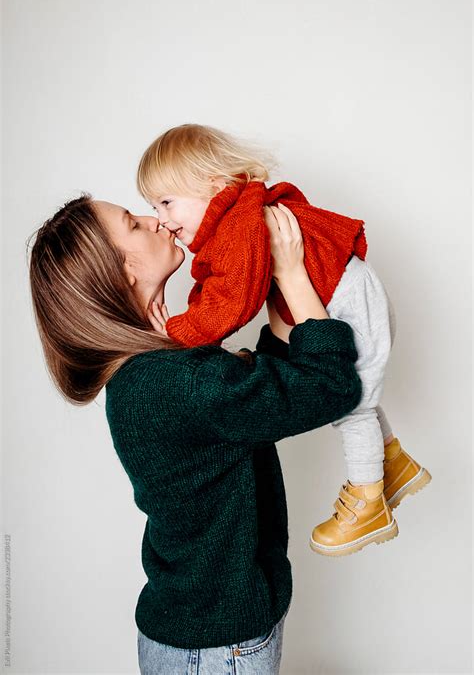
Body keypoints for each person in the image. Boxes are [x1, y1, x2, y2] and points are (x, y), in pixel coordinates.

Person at [28, 196, 362, 673]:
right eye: (133, 222)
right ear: (121, 270)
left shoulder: (151, 375)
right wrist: (290, 275)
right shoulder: (171, 382)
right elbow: (330, 386)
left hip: (200, 638)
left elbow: (261, 398)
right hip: (215, 650)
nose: (155, 219)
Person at [136, 123, 432, 558]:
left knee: (352, 403)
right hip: (344, 297)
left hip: (348, 300)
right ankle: (394, 463)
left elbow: (232, 300)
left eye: (166, 203)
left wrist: (178, 333)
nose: (162, 219)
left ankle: (370, 499)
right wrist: (189, 329)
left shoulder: (239, 225)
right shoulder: (236, 222)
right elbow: (217, 290)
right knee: (360, 391)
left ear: (214, 186)